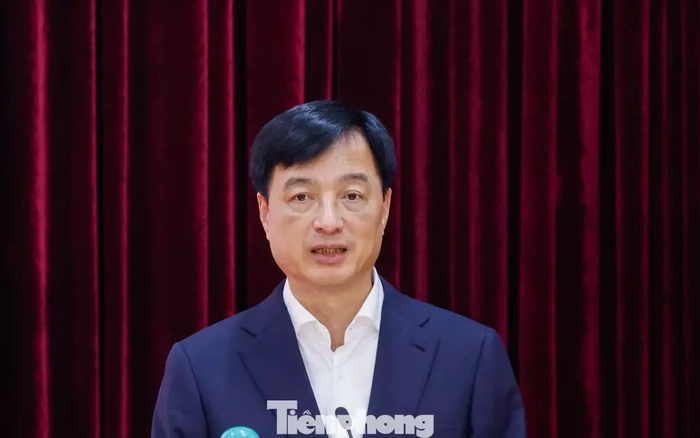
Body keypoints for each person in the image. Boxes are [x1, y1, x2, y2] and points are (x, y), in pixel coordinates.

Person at [151, 100, 526, 437]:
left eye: (352, 196)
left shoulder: (469, 357)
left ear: (384, 208)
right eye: (302, 196)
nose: (328, 222)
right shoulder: (200, 368)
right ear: (264, 212)